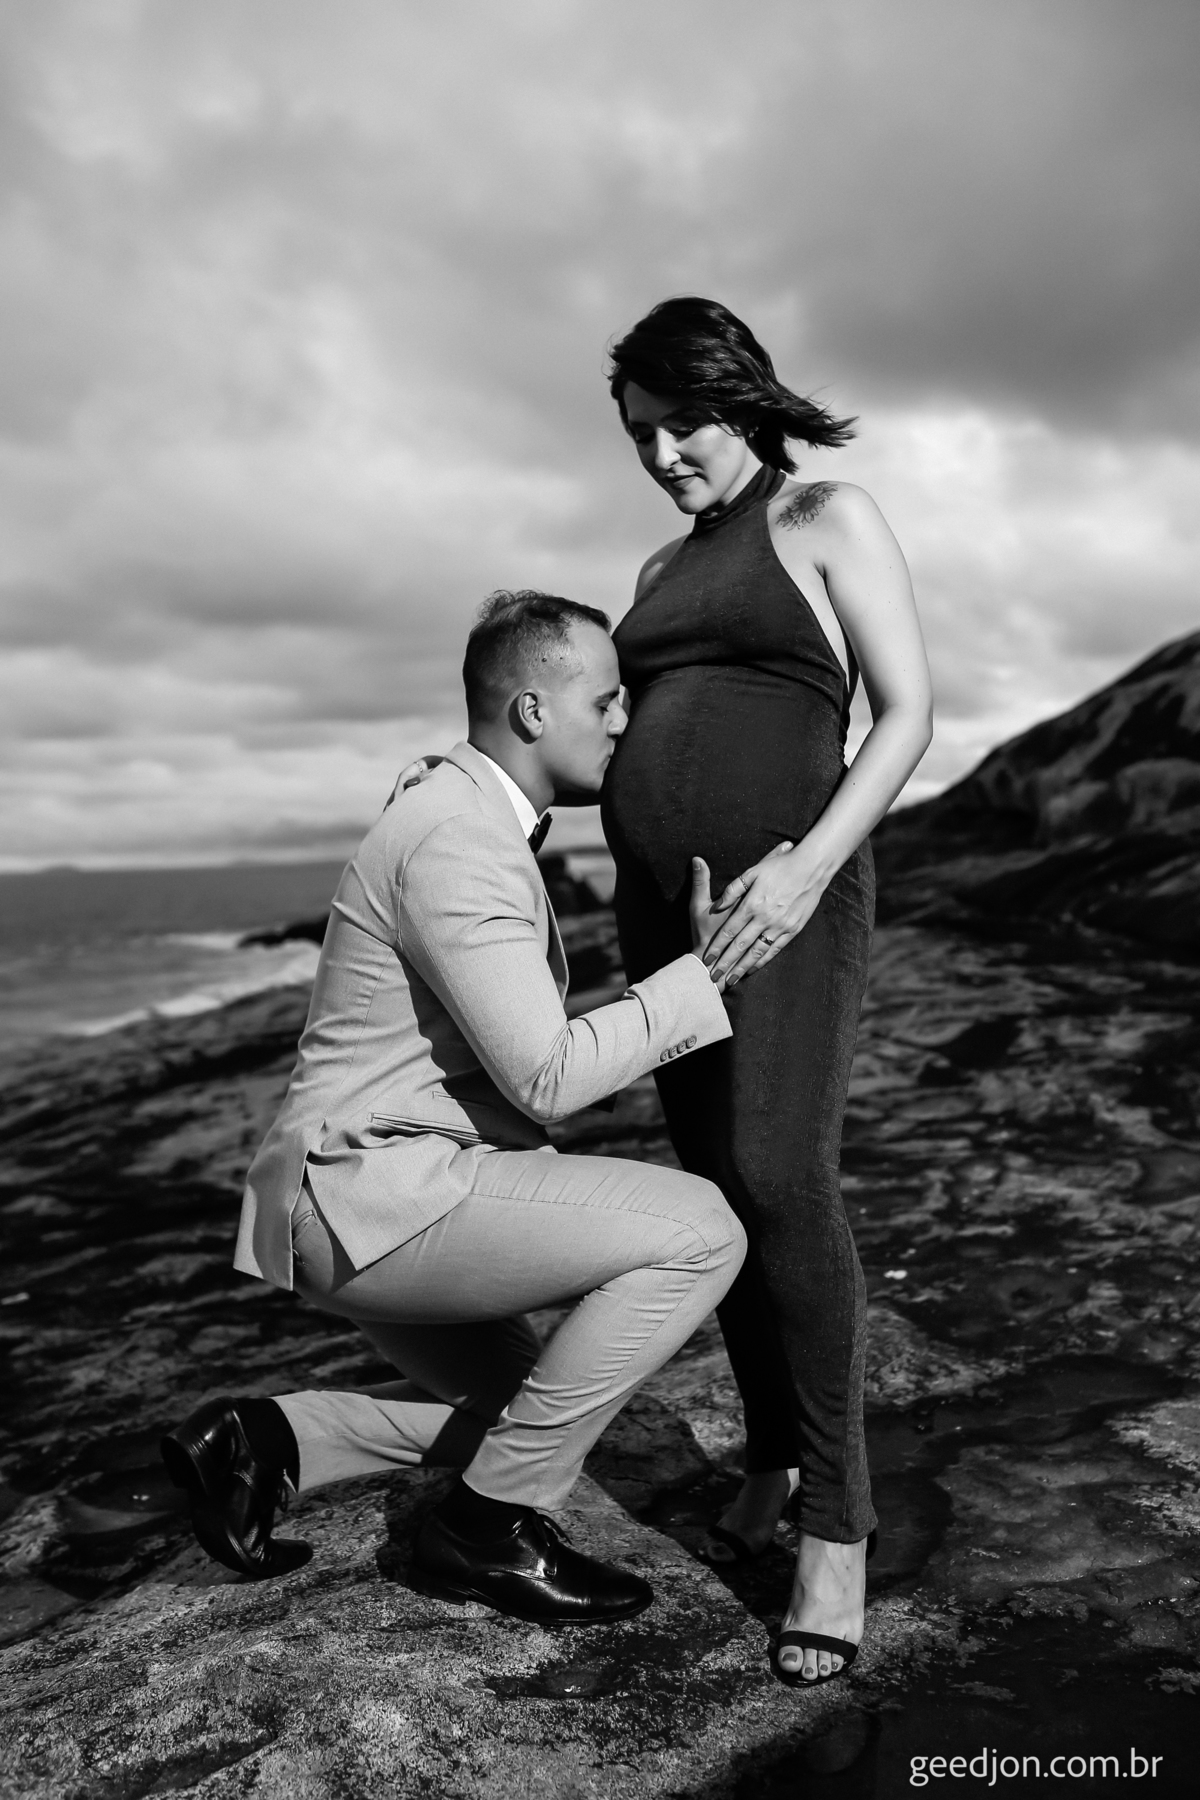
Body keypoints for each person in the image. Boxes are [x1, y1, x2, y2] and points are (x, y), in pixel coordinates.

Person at [161, 590, 746, 1627]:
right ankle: (484, 1533)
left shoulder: (462, 817)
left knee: (537, 1416)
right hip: (371, 1195)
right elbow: (547, 1077)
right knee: (702, 1230)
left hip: (379, 1188)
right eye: (607, 700)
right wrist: (700, 979)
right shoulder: (457, 838)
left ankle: (270, 1442)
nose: (625, 720)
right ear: (532, 710)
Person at [602, 297, 933, 1684]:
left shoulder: (824, 517)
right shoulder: (655, 564)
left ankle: (837, 1531)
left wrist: (803, 868)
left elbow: (908, 713)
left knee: (783, 1179)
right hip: (663, 919)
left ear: (740, 399)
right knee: (718, 1194)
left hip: (784, 904)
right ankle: (771, 1461)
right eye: (640, 434)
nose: (663, 453)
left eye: (682, 422)